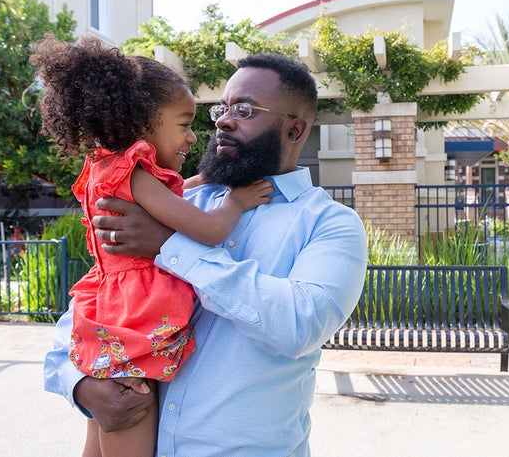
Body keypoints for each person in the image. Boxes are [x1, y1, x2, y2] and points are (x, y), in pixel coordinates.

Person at [44, 52, 368, 456]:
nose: (223, 121)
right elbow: (96, 309)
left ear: (295, 129)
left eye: (245, 109)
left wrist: (170, 246)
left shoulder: (330, 224)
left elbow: (300, 324)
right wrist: (81, 384)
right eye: (224, 107)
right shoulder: (178, 199)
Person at [32, 35, 273, 457]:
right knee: (132, 416)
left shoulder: (107, 167)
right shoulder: (138, 175)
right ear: (144, 125)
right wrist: (235, 200)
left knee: (101, 434)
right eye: (183, 125)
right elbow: (209, 230)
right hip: (137, 326)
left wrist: (204, 180)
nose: (192, 139)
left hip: (112, 313)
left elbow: (170, 193)